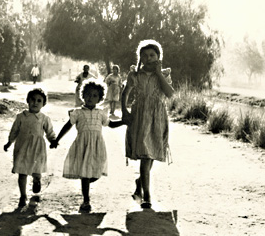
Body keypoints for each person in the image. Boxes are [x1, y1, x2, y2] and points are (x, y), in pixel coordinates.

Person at [50, 79, 124, 212]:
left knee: (96, 173)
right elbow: (68, 126)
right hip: (83, 145)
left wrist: (124, 122)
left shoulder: (101, 113)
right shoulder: (77, 112)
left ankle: (86, 181)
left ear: (100, 99)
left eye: (94, 96)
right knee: (86, 173)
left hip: (97, 146)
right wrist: (57, 139)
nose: (90, 98)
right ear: (82, 95)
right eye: (88, 94)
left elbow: (111, 124)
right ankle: (86, 200)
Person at [121, 39, 174, 209]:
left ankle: (139, 183)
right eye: (144, 56)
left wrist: (159, 74)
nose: (148, 58)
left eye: (152, 55)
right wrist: (124, 111)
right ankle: (147, 196)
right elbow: (125, 93)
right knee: (145, 154)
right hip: (140, 117)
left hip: (157, 117)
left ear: (158, 57)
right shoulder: (135, 75)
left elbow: (170, 94)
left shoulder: (164, 74)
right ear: (140, 59)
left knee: (151, 153)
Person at [4, 88, 56, 208]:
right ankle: (23, 196)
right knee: (22, 173)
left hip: (37, 149)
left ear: (43, 104)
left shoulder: (44, 118)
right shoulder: (21, 117)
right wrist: (9, 143)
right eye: (32, 99)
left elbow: (50, 132)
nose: (35, 102)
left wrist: (53, 140)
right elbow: (14, 131)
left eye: (39, 100)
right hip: (22, 148)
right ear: (27, 101)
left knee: (36, 171)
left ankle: (37, 180)